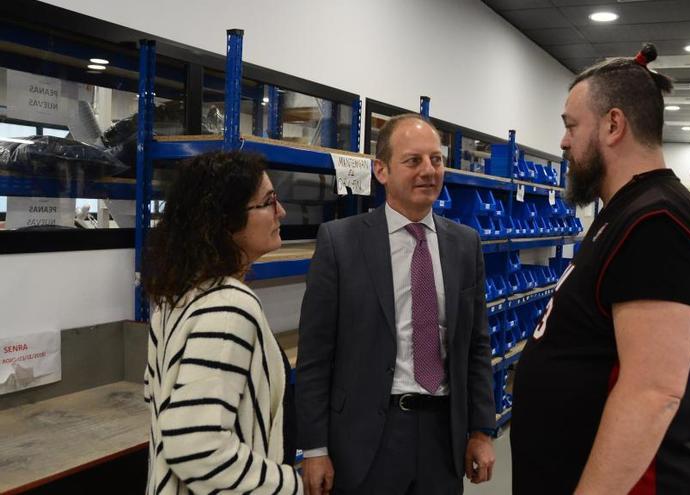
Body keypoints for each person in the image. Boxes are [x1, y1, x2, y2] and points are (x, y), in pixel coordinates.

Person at [510, 43, 690, 494]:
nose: (564, 141)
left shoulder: (656, 223)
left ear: (613, 125)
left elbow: (653, 393)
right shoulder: (627, 211)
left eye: (571, 126)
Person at [296, 113, 496, 495]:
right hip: (367, 437)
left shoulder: (465, 244)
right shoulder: (340, 242)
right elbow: (315, 355)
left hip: (443, 436)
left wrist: (481, 430)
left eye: (436, 160)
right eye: (413, 161)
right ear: (382, 171)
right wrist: (315, 448)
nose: (428, 171)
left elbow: (477, 346)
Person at [142, 151, 301, 494]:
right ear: (226, 221)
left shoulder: (178, 296)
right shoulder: (229, 306)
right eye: (269, 202)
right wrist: (289, 486)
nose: (281, 211)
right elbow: (195, 446)